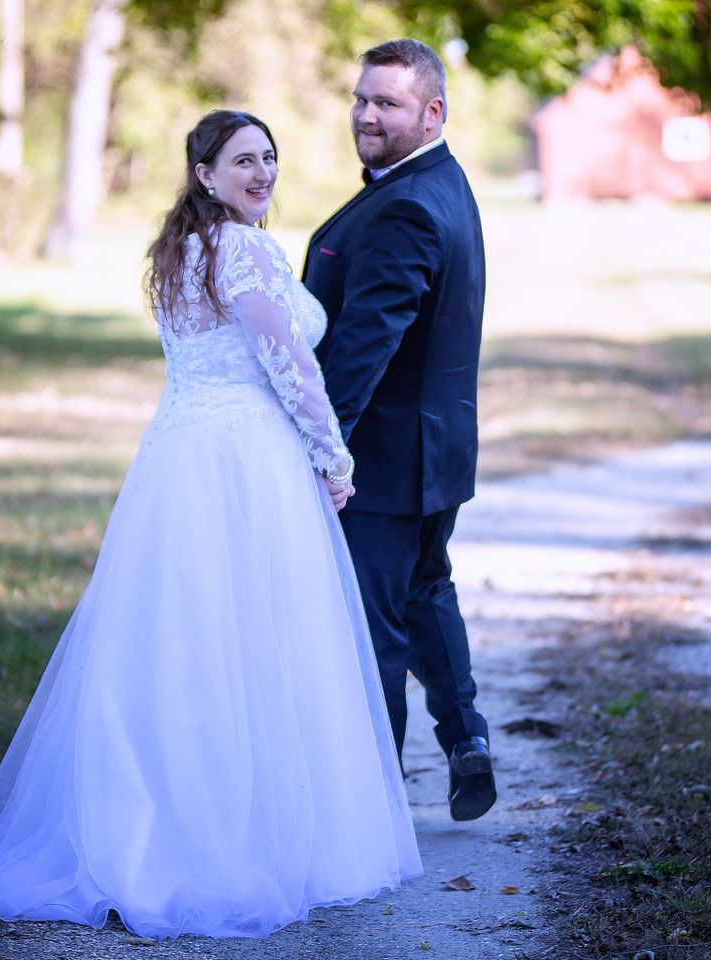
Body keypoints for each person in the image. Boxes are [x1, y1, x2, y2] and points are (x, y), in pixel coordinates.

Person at [0, 109, 421, 939]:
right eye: (242, 161)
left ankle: (166, 813)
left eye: (269, 158)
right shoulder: (243, 249)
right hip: (244, 462)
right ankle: (240, 836)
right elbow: (288, 361)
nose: (260, 173)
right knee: (255, 636)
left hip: (178, 458)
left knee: (178, 637)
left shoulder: (180, 253)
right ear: (203, 172)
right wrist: (333, 457)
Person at [302, 39, 496, 822]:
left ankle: (371, 812)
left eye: (386, 102)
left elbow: (362, 346)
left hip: (381, 460)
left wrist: (322, 445)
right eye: (361, 99)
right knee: (425, 592)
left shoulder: (407, 205)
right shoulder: (443, 183)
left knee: (372, 629)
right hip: (435, 451)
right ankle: (468, 738)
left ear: (432, 112)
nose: (367, 115)